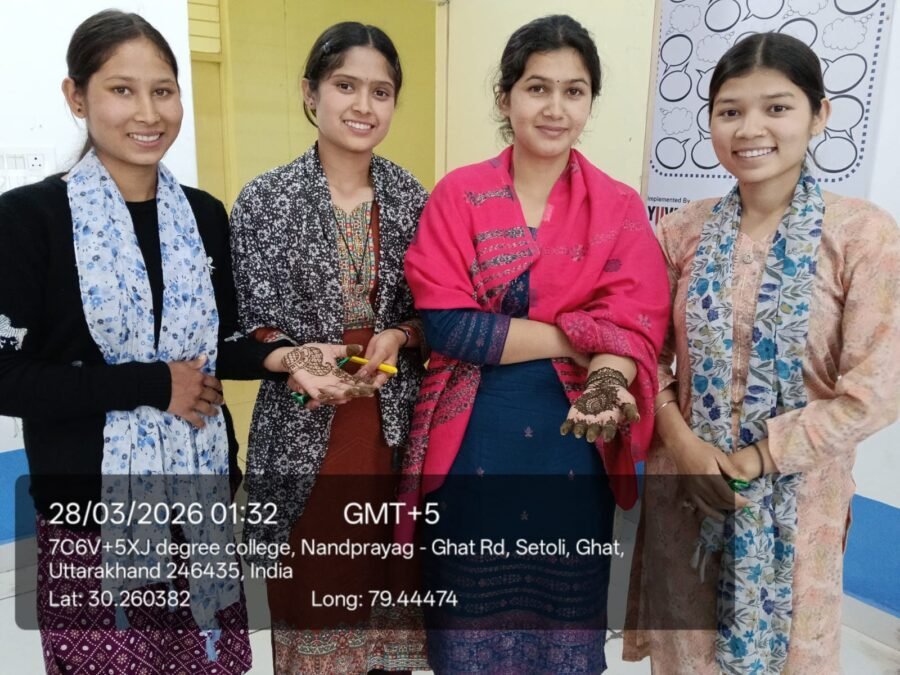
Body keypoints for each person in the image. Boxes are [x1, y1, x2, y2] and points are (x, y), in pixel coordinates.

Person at [0, 10, 283, 674]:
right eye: (121, 90)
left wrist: (286, 356)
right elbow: (8, 378)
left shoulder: (203, 215)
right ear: (77, 97)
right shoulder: (28, 219)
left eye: (163, 90)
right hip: (91, 517)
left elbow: (221, 341)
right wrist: (156, 385)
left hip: (201, 503)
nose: (148, 112)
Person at [399, 14, 670, 673]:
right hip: (472, 441)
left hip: (572, 446)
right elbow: (451, 327)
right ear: (505, 98)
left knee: (561, 626)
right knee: (470, 623)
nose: (555, 108)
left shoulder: (617, 207)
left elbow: (634, 325)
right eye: (537, 88)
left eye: (574, 91)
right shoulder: (460, 195)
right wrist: (580, 339)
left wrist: (605, 378)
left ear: (590, 102)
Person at [624, 32, 900, 674]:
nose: (750, 129)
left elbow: (878, 388)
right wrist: (682, 445)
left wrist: (757, 458)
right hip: (686, 492)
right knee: (688, 656)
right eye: (730, 111)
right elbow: (642, 352)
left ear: (819, 114)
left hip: (798, 506)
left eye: (777, 107)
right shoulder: (681, 231)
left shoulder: (862, 235)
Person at [229, 22, 430, 674]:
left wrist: (400, 334)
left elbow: (435, 313)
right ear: (310, 92)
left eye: (381, 91)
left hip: (391, 428)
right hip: (303, 424)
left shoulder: (415, 199)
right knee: (314, 589)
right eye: (346, 85)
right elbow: (246, 324)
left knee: (389, 590)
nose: (364, 105)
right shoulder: (265, 199)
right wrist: (295, 355)